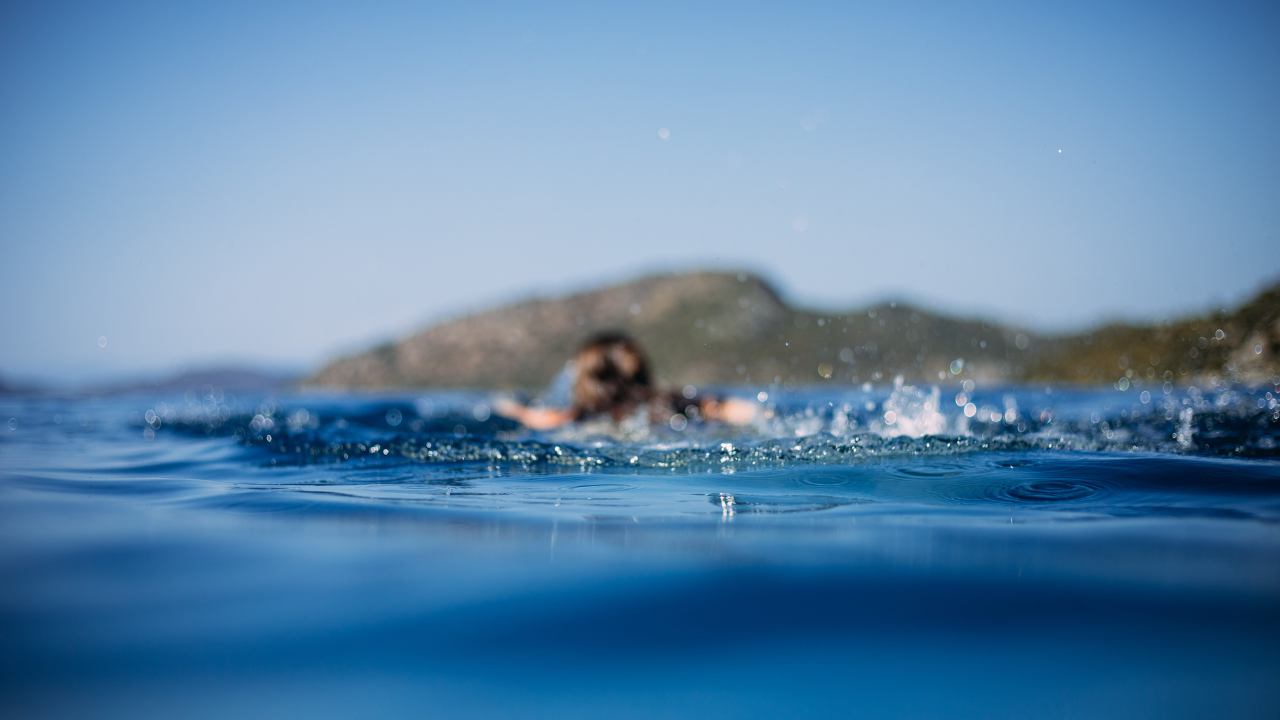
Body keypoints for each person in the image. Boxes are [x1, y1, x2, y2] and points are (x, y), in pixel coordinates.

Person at [494, 331, 759, 430]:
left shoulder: (580, 414)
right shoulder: (671, 401)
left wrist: (510, 408)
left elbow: (534, 419)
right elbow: (744, 411)